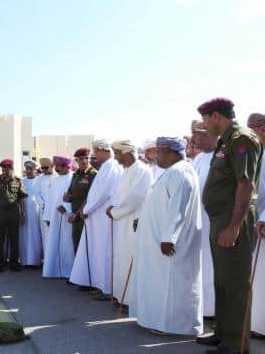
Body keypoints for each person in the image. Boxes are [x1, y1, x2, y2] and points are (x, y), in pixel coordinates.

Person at [198, 98, 262, 354]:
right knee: (222, 280)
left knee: (235, 281)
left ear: (215, 116)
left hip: (233, 219)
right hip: (220, 219)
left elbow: (245, 184)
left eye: (205, 119)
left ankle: (236, 343)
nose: (203, 125)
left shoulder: (241, 138)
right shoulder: (226, 139)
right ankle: (223, 332)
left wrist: (234, 226)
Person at [130, 137, 202, 335]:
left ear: (170, 152)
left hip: (170, 242)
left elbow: (177, 208)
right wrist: (143, 220)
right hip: (160, 238)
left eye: (159, 152)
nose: (156, 156)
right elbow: (160, 205)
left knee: (173, 283)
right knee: (163, 282)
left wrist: (169, 238)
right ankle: (161, 322)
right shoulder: (172, 172)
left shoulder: (181, 172)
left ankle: (175, 326)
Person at [69, 140, 123, 299]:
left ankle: (107, 290)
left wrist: (86, 209)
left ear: (102, 150)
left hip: (103, 218)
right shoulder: (106, 167)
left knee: (105, 252)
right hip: (97, 217)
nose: (94, 156)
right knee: (99, 253)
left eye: (95, 152)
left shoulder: (111, 166)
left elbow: (103, 193)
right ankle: (100, 285)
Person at [106, 140, 152, 309]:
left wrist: (115, 212)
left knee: (130, 259)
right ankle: (121, 297)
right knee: (122, 259)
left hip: (134, 221)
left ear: (125, 152)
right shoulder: (127, 171)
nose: (116, 158)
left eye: (117, 153)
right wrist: (113, 208)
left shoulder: (141, 170)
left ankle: (131, 301)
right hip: (123, 221)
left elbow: (135, 198)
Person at [191, 120, 218, 318]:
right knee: (201, 267)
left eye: (197, 134)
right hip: (199, 220)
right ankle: (203, 308)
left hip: (215, 221)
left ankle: (214, 311)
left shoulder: (221, 155)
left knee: (213, 267)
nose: (194, 139)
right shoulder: (199, 158)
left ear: (208, 134)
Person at [0, 159, 26, 272]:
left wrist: (22, 213)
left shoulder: (17, 181)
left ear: (11, 169)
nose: (5, 171)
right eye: (3, 169)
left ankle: (14, 263)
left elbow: (22, 199)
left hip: (14, 212)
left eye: (7, 169)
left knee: (14, 239)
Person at [247, 113, 265, 337]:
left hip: (262, 220)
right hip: (256, 219)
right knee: (258, 277)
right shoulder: (259, 153)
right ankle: (258, 324)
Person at [42, 156, 75, 278]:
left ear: (66, 166)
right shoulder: (55, 180)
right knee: (55, 243)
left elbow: (77, 196)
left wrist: (67, 207)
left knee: (68, 244)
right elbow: (50, 200)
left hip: (68, 217)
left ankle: (69, 271)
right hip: (55, 217)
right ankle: (55, 270)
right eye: (55, 166)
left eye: (58, 166)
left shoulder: (73, 177)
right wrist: (48, 217)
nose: (56, 168)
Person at [65, 148, 97, 253]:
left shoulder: (94, 174)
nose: (84, 161)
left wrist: (77, 214)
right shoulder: (76, 174)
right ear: (76, 161)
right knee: (77, 246)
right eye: (81, 159)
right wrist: (67, 198)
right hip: (76, 218)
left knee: (87, 248)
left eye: (86, 158)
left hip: (86, 216)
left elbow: (91, 197)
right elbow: (71, 193)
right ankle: (78, 270)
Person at [19, 160, 43, 266]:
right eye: (27, 169)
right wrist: (21, 212)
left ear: (35, 169)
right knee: (24, 235)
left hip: (37, 212)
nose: (28, 171)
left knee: (35, 235)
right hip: (23, 211)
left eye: (31, 169)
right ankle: (24, 261)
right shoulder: (21, 181)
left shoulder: (40, 180)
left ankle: (35, 261)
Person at [37, 157, 57, 254]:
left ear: (52, 166)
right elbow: (36, 194)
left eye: (46, 168)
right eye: (42, 168)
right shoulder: (39, 178)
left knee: (56, 236)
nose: (44, 170)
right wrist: (43, 204)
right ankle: (47, 261)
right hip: (44, 211)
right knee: (46, 236)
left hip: (56, 211)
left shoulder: (58, 176)